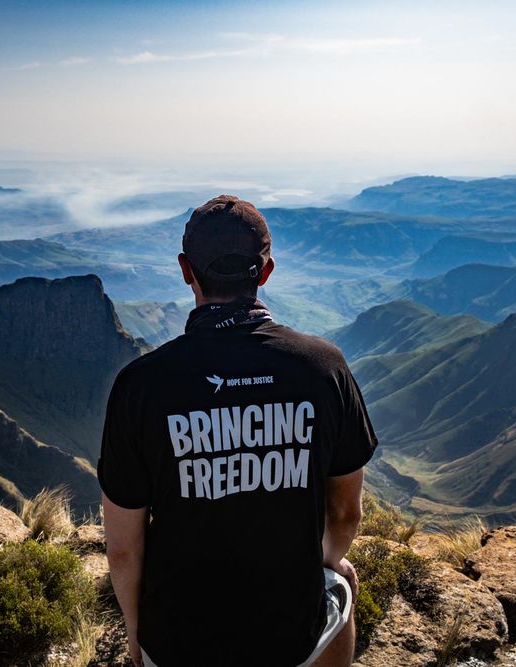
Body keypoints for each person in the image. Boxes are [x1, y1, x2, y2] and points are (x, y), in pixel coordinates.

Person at [98, 195, 378, 667]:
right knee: (342, 579)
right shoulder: (324, 368)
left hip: (177, 646)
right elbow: (346, 514)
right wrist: (326, 562)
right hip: (290, 640)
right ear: (266, 272)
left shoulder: (140, 386)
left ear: (187, 271)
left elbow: (124, 550)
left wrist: (135, 637)